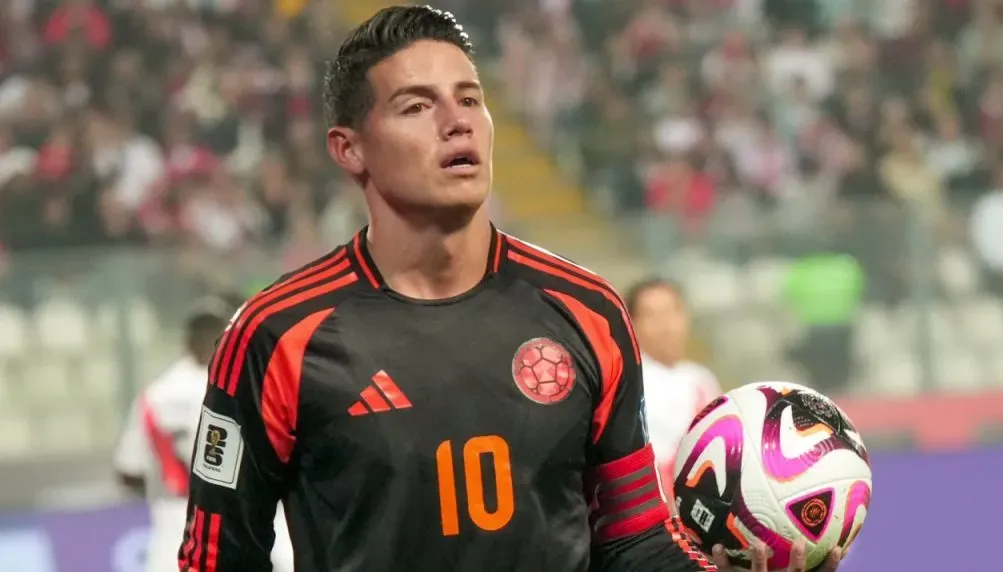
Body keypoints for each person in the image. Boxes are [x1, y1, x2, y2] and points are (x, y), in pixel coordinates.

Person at [177, 6, 840, 572]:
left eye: (470, 99)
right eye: (417, 106)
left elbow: (632, 540)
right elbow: (215, 561)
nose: (458, 122)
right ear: (350, 149)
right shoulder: (274, 336)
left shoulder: (587, 312)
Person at [113, 296, 293, 572]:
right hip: (248, 517)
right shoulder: (242, 385)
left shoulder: (156, 394)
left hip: (176, 522)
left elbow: (128, 470)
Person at [625, 278, 721, 503]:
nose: (665, 324)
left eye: (671, 311)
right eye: (651, 315)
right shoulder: (629, 384)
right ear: (631, 323)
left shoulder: (702, 380)